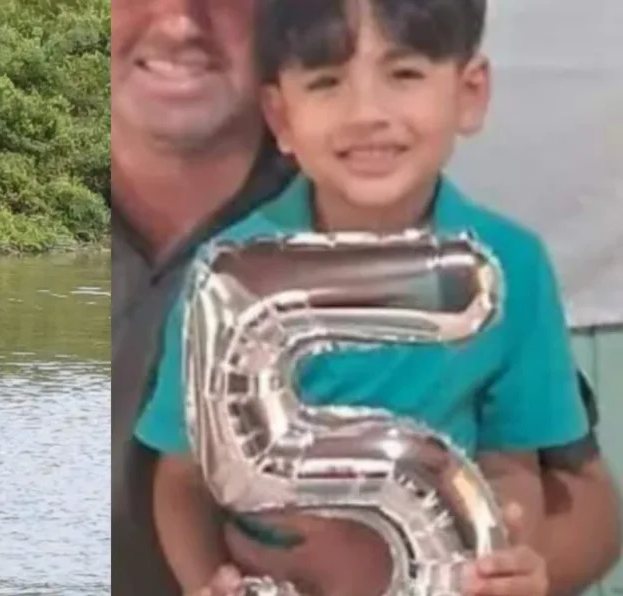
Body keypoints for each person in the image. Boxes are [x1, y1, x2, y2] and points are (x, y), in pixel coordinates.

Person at [109, 0, 621, 595]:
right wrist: (208, 582)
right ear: (281, 116)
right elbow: (182, 476)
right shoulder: (230, 274)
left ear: (470, 91)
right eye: (327, 82)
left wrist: (507, 559)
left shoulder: (509, 269)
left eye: (404, 74)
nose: (366, 114)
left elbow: (517, 460)